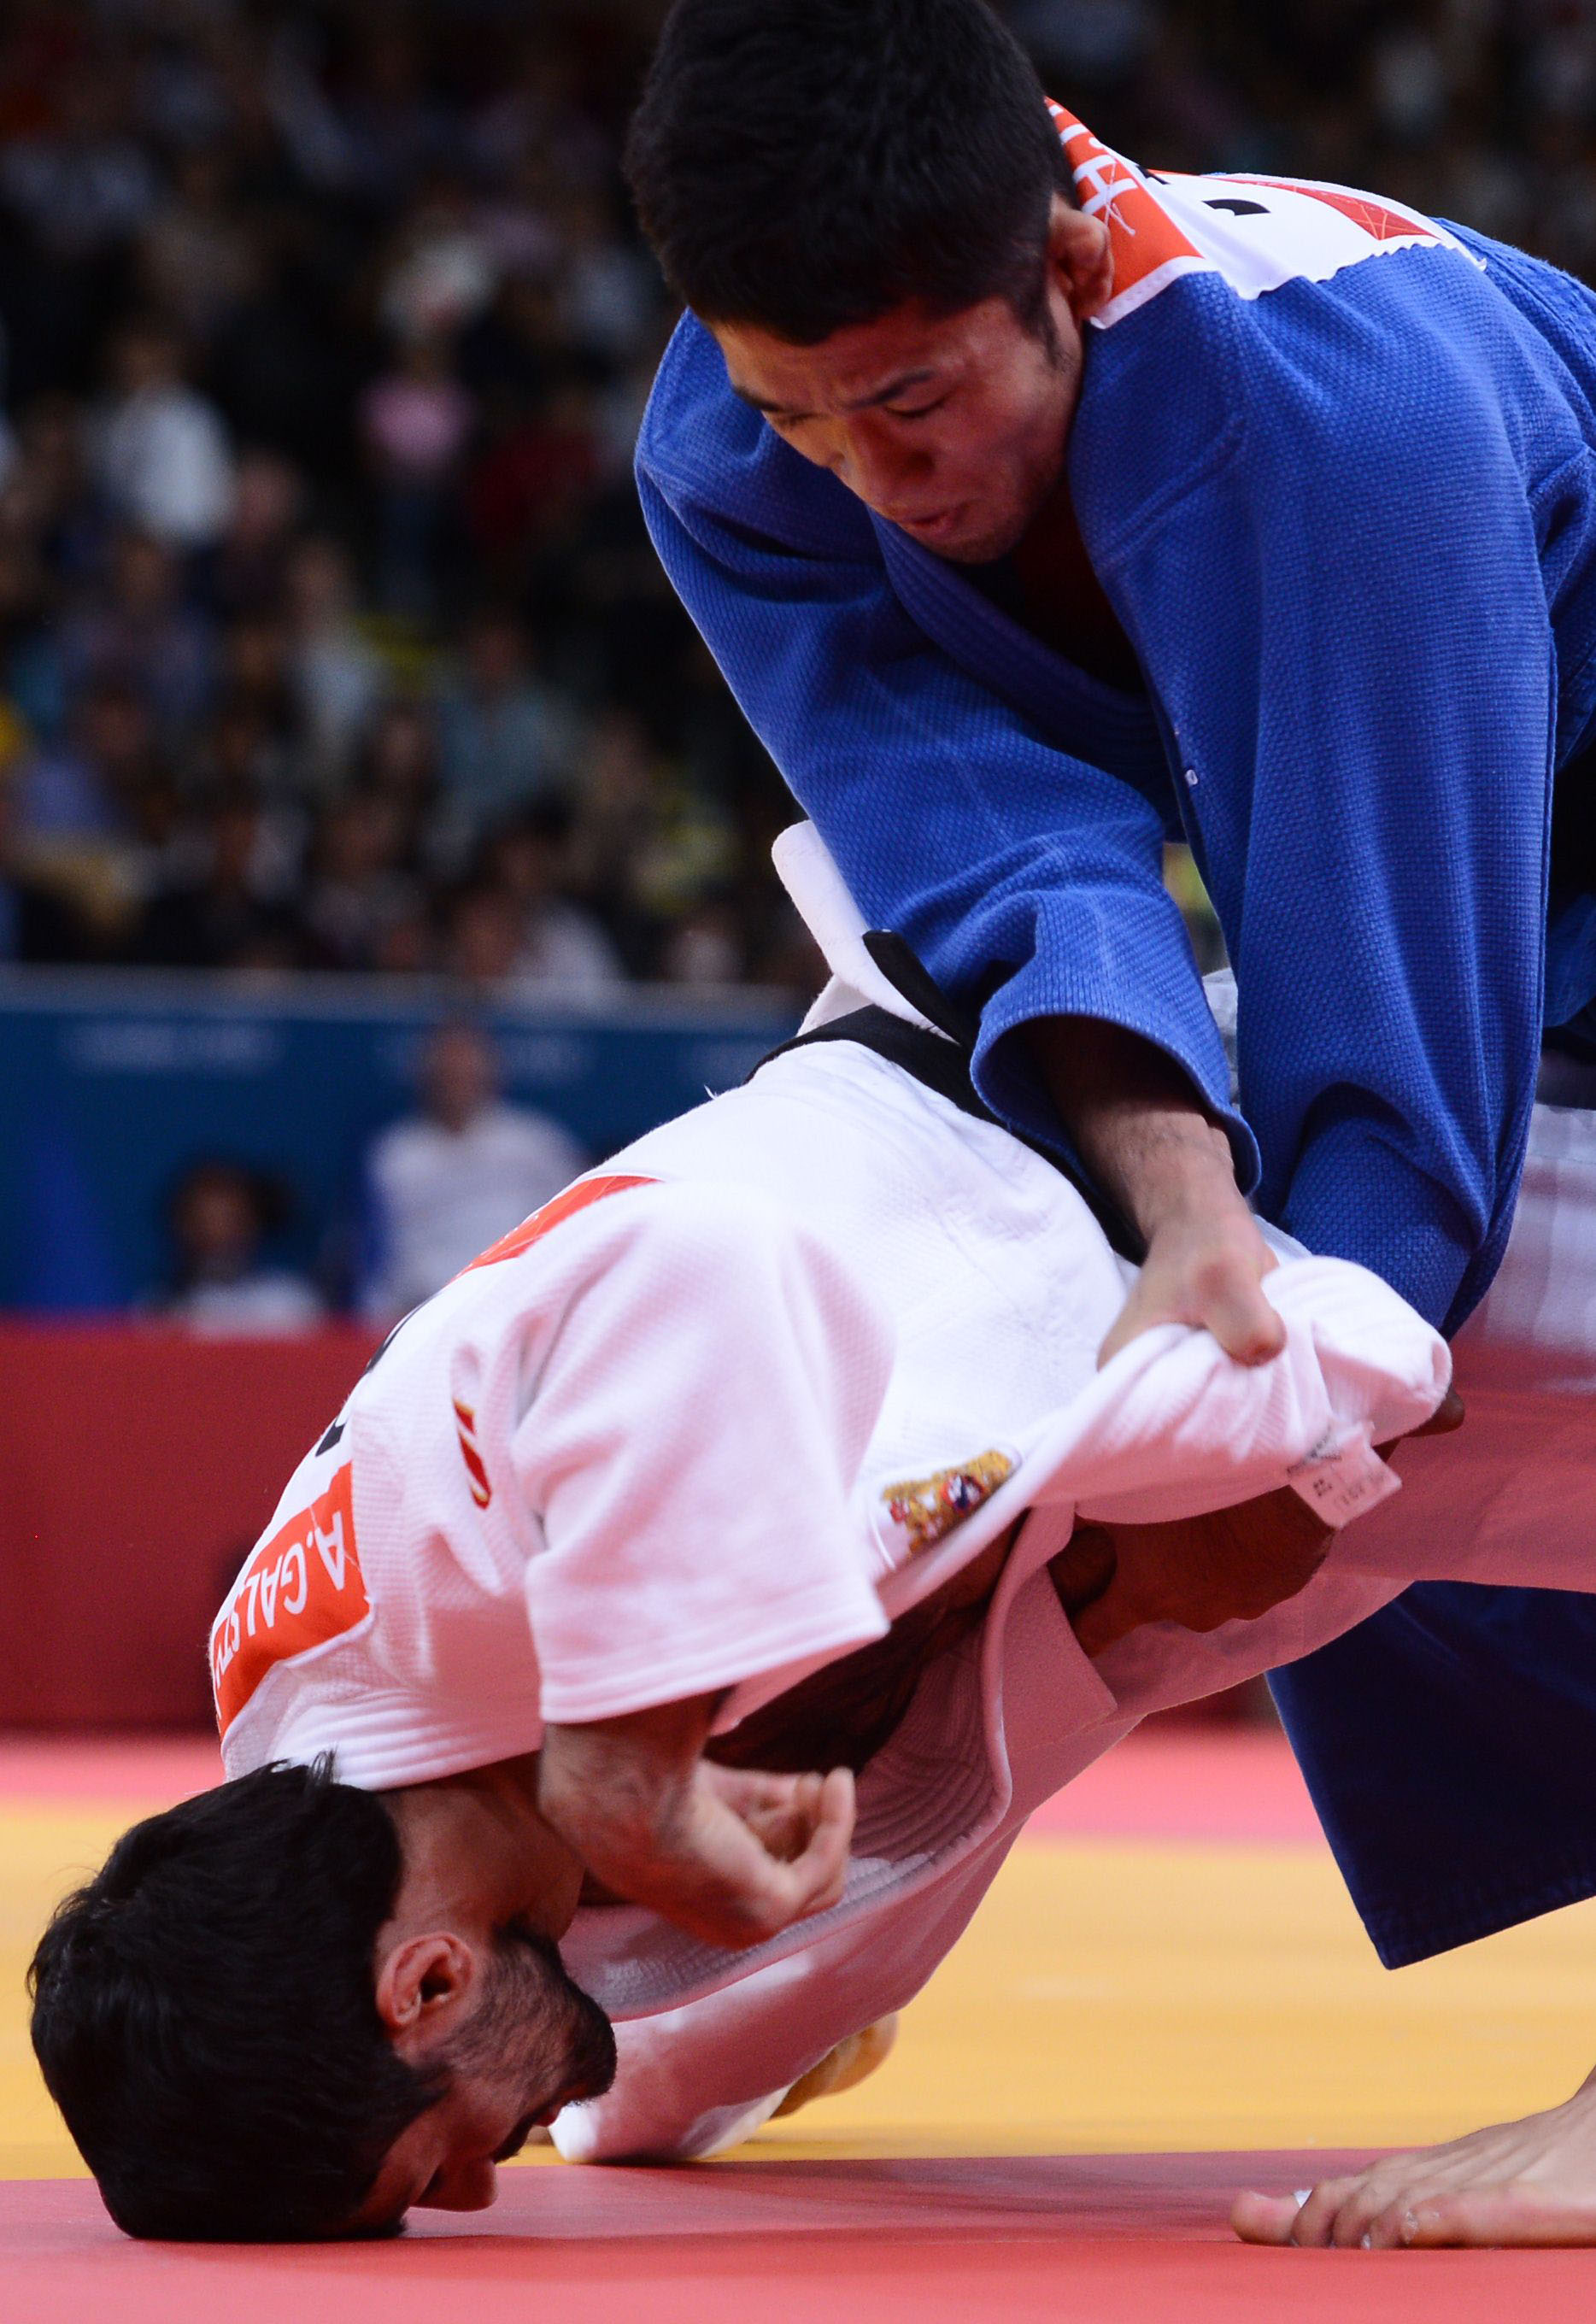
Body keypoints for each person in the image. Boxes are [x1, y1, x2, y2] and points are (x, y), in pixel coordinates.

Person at [53, 821, 1596, 2243]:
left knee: (643, 1966)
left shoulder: (405, 1579)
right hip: (1140, 1474)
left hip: (1148, 1185)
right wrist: (1120, 1612)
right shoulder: (377, 1816)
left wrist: (625, 1750)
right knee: (640, 2063)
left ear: (423, 1982)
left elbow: (700, 1269)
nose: (471, 2193)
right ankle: (725, 2051)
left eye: (424, 2172)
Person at [622, 0, 1596, 2233]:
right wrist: (1170, 1224)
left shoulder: (1331, 425)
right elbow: (990, 872)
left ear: (1063, 259)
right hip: (1490, 834)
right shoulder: (735, 440)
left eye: (911, 401)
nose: (868, 475)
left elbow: (1391, 1097)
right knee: (1070, 1280)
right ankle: (789, 1927)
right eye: (798, 412)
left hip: (1496, 770)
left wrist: (1263, 1430)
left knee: (1330, 1365)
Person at [359, 1018, 587, 1323]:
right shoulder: (396, 1153)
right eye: (448, 1072)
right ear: (427, 1076)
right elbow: (373, 1255)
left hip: (518, 1304)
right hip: (423, 1312)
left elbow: (579, 1226)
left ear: (490, 1073)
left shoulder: (535, 1142)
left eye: (466, 1070)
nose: (457, 1081)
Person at [146, 1157, 325, 1336]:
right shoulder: (159, 1309)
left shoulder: (290, 1301)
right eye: (203, 1221)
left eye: (230, 1219)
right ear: (181, 1227)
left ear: (254, 1222)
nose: (217, 1233)